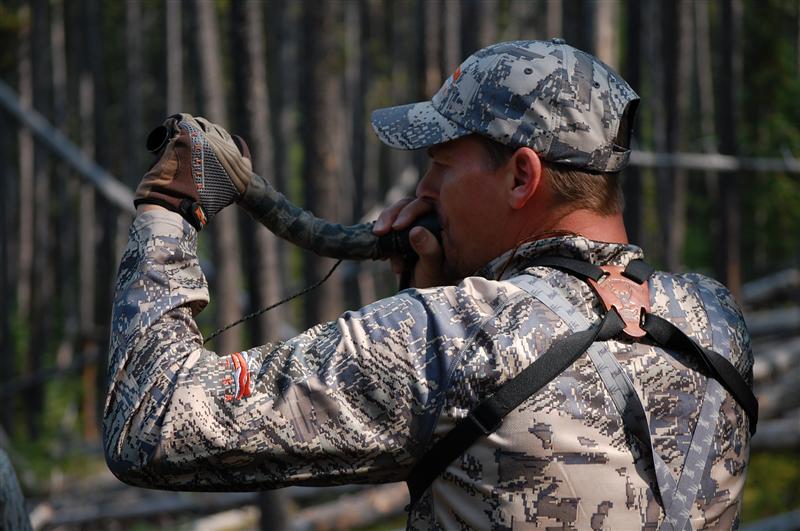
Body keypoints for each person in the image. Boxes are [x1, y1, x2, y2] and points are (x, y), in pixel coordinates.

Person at [104, 39, 755, 529]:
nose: (424, 188)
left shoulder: (452, 336)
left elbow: (148, 421)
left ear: (521, 177)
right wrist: (451, 287)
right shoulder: (716, 320)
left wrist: (168, 209)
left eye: (441, 164)